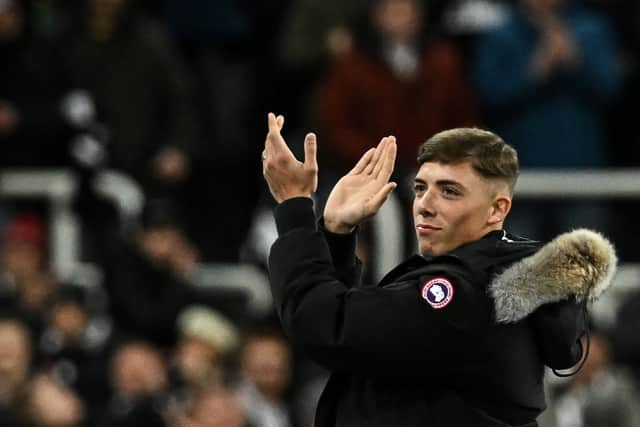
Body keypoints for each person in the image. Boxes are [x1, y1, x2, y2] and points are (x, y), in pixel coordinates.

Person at [260, 113, 618, 426]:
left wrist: (294, 208)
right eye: (420, 188)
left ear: (497, 210)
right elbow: (354, 343)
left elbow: (325, 325)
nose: (425, 206)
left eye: (449, 192)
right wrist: (337, 235)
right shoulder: (499, 276)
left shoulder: (462, 294)